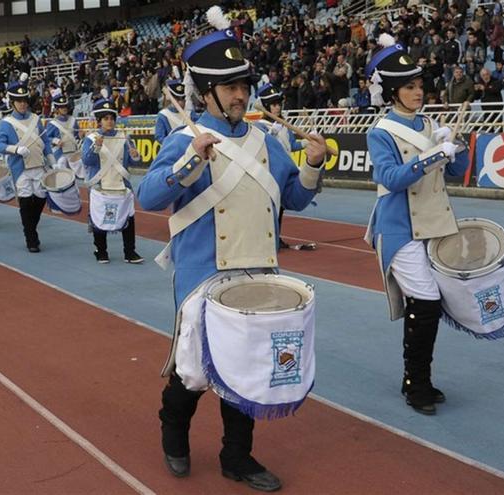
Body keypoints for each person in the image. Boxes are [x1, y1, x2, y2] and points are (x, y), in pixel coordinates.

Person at [138, 7, 327, 491]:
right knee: (194, 372)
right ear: (207, 93)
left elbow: (296, 198)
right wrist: (189, 162)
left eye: (244, 85)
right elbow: (150, 197)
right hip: (204, 273)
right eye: (230, 88)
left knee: (245, 373)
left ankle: (236, 458)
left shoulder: (267, 141)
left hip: (260, 272)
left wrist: (314, 163)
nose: (240, 95)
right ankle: (174, 434)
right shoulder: (185, 138)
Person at [363, 34, 470, 415]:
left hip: (435, 224)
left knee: (432, 304)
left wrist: (457, 145)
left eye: (420, 85)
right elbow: (391, 178)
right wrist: (430, 156)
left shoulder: (430, 122)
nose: (418, 91)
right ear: (392, 91)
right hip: (399, 228)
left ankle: (420, 378)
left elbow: (456, 171)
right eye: (409, 86)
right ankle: (415, 382)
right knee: (424, 302)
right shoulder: (380, 132)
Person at [0, 74, 55, 253]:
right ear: (12, 102)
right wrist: (15, 149)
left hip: (39, 165)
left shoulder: (36, 119)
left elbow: (45, 142)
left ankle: (30, 228)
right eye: (18, 101)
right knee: (26, 202)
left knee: (41, 198)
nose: (22, 104)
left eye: (24, 100)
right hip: (21, 168)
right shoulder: (6, 123)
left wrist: (52, 160)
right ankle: (31, 238)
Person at [81, 99, 143, 264]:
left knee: (128, 219)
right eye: (105, 118)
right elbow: (87, 161)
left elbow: (134, 161)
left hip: (122, 185)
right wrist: (96, 147)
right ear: (99, 121)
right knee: (99, 219)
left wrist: (135, 155)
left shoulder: (124, 137)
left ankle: (130, 252)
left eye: (111, 118)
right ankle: (101, 251)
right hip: (100, 186)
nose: (109, 121)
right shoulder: (91, 138)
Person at [253, 76, 309, 251]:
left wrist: (306, 143)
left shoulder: (284, 125)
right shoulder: (258, 126)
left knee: (281, 207)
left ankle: (275, 236)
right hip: (268, 171)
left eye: (278, 103)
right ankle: (264, 238)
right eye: (273, 104)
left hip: (284, 171)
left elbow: (291, 146)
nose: (277, 107)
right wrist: (270, 133)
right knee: (268, 207)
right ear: (266, 106)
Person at [43, 95, 83, 178]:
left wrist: (80, 135)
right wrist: (55, 141)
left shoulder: (73, 120)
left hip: (73, 152)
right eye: (61, 107)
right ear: (57, 109)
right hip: (60, 154)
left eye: (65, 107)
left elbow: (76, 135)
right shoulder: (52, 123)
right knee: (63, 176)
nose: (64, 109)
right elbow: (46, 138)